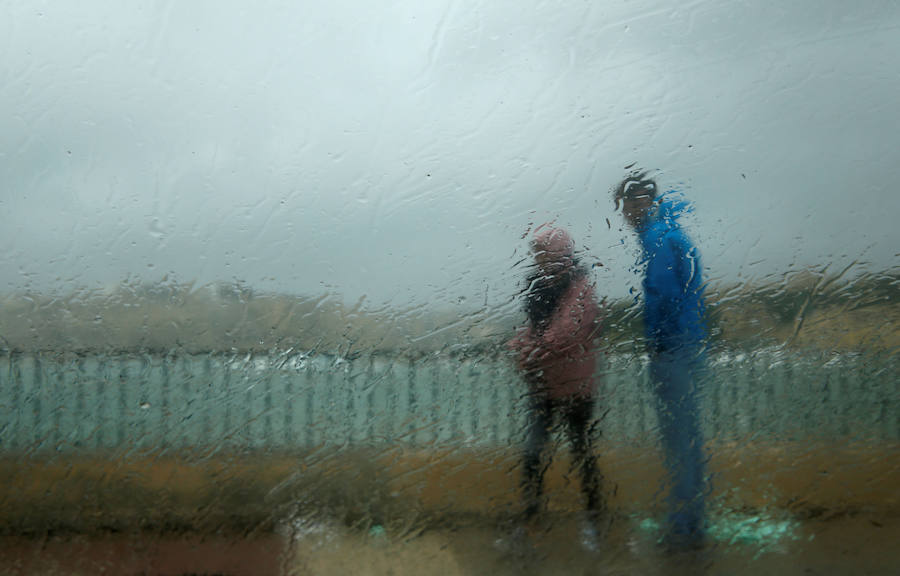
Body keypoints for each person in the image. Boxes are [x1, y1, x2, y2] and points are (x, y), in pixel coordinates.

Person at [613, 171, 709, 549]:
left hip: (674, 351)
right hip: (687, 345)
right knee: (686, 438)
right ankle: (690, 523)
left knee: (679, 440)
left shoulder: (658, 239)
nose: (623, 215)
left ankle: (684, 530)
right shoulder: (669, 233)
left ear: (641, 203)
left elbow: (664, 299)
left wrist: (655, 346)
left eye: (625, 206)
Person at [507, 226, 605, 545]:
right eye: (536, 253)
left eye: (542, 252)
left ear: (559, 253)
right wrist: (520, 346)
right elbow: (534, 329)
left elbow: (567, 331)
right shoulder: (537, 286)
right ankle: (530, 517)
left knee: (581, 453)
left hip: (575, 385)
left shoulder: (580, 287)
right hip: (544, 383)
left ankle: (594, 519)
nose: (537, 259)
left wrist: (529, 352)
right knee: (534, 453)